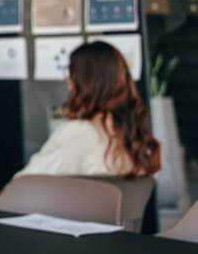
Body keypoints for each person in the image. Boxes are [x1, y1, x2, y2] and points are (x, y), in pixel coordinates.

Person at [17, 40, 161, 178]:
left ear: (86, 82)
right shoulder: (133, 136)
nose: (68, 79)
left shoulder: (78, 132)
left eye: (72, 72)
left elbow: (22, 186)